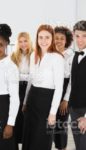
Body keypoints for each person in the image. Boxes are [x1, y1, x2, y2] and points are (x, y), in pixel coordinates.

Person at [22, 24, 64, 150]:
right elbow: (30, 80)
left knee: (42, 139)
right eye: (41, 37)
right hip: (32, 100)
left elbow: (59, 88)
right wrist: (25, 102)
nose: (43, 41)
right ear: (37, 38)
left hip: (47, 101)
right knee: (29, 138)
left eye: (47, 37)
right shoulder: (33, 54)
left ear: (52, 39)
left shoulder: (57, 58)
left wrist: (52, 113)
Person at [64, 20, 86, 150]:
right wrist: (68, 102)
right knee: (79, 146)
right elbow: (72, 82)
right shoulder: (74, 56)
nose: (80, 40)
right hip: (74, 108)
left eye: (84, 36)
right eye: (77, 36)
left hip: (85, 110)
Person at [11, 32, 33, 150]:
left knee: (27, 117)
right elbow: (12, 75)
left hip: (29, 89)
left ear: (29, 41)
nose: (23, 44)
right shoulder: (14, 56)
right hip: (16, 88)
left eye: (25, 41)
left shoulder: (35, 55)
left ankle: (26, 145)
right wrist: (24, 76)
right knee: (16, 116)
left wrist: (21, 76)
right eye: (20, 41)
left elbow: (33, 77)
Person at [54, 26, 73, 150]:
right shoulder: (49, 53)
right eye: (56, 38)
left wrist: (66, 99)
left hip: (65, 90)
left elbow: (73, 80)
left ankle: (61, 147)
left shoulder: (71, 55)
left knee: (61, 123)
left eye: (62, 38)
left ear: (67, 40)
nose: (59, 41)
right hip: (50, 89)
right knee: (49, 123)